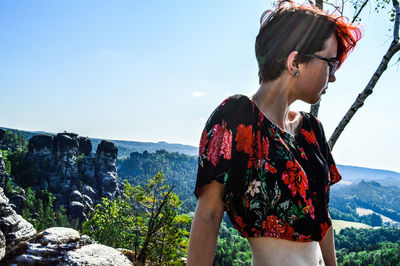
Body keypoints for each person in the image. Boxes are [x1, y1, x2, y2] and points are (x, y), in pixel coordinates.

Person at [187, 1, 362, 265]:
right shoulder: (236, 116)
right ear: (295, 62)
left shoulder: (312, 130)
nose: (333, 76)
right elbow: (209, 214)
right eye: (330, 63)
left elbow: (322, 220)